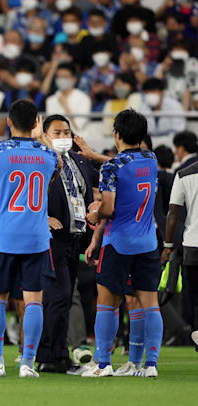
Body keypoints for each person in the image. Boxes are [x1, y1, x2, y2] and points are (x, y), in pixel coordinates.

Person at [0, 99, 62, 378]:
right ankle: (27, 363)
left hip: (4, 234)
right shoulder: (49, 156)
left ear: (8, 122)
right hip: (36, 236)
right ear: (37, 123)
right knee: (33, 300)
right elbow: (55, 171)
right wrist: (43, 140)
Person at [83, 109, 162, 378]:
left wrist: (95, 212)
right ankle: (149, 364)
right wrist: (96, 156)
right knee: (150, 304)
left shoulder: (112, 167)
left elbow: (108, 208)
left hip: (118, 242)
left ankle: (103, 364)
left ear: (116, 134)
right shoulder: (151, 159)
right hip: (147, 242)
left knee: (107, 302)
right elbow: (126, 165)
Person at [36, 115, 97, 374]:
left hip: (74, 236)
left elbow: (96, 188)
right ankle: (50, 355)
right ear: (45, 135)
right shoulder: (39, 161)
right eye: (57, 132)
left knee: (62, 296)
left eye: (67, 132)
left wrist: (95, 204)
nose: (63, 137)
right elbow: (29, 193)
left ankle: (55, 354)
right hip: (52, 237)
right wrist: (43, 216)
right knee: (57, 297)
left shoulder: (80, 161)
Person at [164, 158, 198, 351]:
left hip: (193, 246)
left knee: (195, 299)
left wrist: (168, 245)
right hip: (192, 246)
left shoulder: (184, 174)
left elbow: (173, 212)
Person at [46, 63, 92, 133]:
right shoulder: (50, 100)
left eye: (65, 77)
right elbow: (49, 127)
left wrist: (66, 106)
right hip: (54, 140)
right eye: (59, 77)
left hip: (77, 139)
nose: (61, 80)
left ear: (74, 79)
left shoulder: (84, 99)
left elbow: (78, 126)